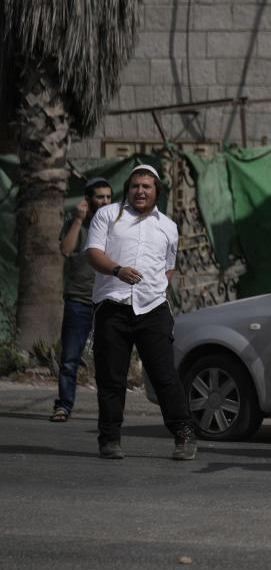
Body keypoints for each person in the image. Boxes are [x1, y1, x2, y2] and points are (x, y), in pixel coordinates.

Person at [85, 164, 196, 461]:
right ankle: (109, 439)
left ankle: (184, 434)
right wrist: (117, 270)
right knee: (111, 378)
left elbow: (169, 266)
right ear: (128, 189)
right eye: (135, 186)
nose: (140, 191)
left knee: (164, 376)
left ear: (156, 191)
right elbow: (93, 253)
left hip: (153, 309)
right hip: (113, 306)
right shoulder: (108, 215)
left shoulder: (168, 227)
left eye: (146, 186)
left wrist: (156, 289)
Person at [49, 177, 113, 422]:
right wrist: (77, 219)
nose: (105, 201)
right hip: (79, 299)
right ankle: (64, 406)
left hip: (107, 300)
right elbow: (66, 249)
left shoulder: (115, 225)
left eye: (108, 197)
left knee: (108, 360)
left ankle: (108, 412)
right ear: (88, 199)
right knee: (70, 359)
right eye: (100, 197)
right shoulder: (74, 222)